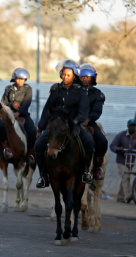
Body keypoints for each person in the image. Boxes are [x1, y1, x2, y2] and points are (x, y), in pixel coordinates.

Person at [35, 59, 94, 188]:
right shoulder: (55, 89)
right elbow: (47, 109)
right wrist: (40, 128)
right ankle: (43, 176)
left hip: (73, 124)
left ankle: (85, 172)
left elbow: (84, 110)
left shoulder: (80, 90)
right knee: (38, 145)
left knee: (89, 143)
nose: (65, 77)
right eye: (63, 74)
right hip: (56, 124)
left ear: (74, 76)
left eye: (68, 75)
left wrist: (77, 120)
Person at [79, 63, 108, 180]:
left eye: (87, 77)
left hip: (89, 123)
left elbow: (97, 111)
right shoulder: (75, 91)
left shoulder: (97, 94)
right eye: (82, 77)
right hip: (74, 122)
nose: (84, 79)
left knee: (102, 141)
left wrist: (88, 119)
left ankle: (97, 167)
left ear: (92, 78)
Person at [2, 68, 36, 164]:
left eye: (22, 79)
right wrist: (12, 104)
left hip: (23, 115)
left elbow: (26, 103)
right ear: (14, 79)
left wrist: (19, 113)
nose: (20, 81)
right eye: (18, 79)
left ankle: (30, 153)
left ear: (25, 80)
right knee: (0, 128)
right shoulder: (8, 89)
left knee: (32, 131)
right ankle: (1, 151)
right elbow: (4, 103)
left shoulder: (28, 89)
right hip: (9, 115)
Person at [109, 119, 136, 203]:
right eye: (131, 125)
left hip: (130, 162)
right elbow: (112, 145)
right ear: (127, 126)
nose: (132, 127)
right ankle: (128, 196)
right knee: (126, 176)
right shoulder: (121, 135)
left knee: (125, 178)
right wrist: (118, 149)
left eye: (134, 126)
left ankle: (120, 197)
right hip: (121, 160)